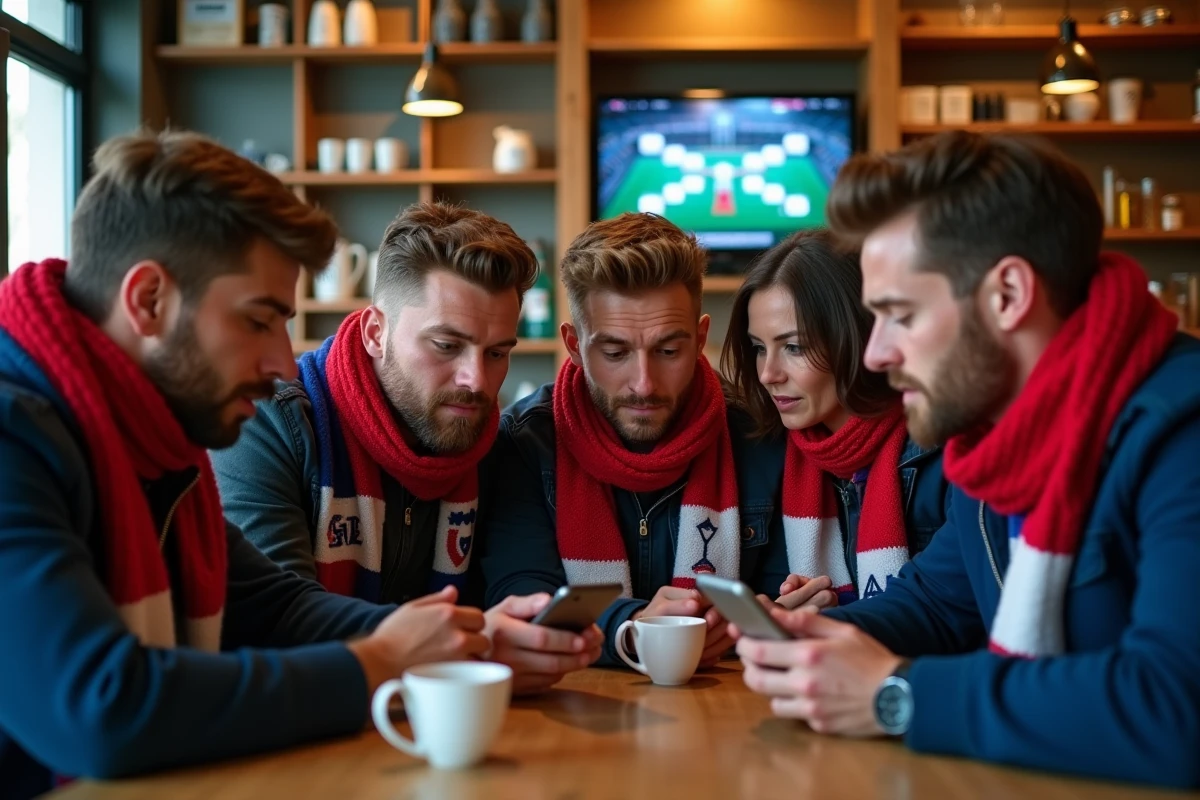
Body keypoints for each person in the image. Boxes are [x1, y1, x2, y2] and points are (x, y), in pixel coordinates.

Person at [0, 130, 491, 796]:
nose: (283, 364)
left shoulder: (156, 441)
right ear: (149, 301)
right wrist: (376, 662)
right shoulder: (15, 432)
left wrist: (463, 640)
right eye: (259, 321)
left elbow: (274, 608)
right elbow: (101, 708)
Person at [731, 131, 1200, 788]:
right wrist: (811, 636)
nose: (875, 354)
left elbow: (1175, 708)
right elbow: (937, 605)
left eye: (900, 314)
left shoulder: (1181, 427)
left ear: (1007, 295)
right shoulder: (992, 439)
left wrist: (895, 692)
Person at [212, 202, 603, 695]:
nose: (476, 381)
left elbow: (509, 591)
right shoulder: (271, 421)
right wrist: (469, 643)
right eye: (446, 345)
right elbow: (275, 622)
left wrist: (527, 638)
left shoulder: (494, 443)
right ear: (377, 332)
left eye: (497, 353)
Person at [480, 212, 793, 669]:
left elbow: (778, 589)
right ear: (573, 344)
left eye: (669, 351)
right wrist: (631, 628)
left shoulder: (760, 433)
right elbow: (522, 594)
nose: (643, 383)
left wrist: (778, 612)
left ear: (700, 337)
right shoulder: (524, 442)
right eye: (615, 353)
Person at [722, 230, 947, 609]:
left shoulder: (937, 451)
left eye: (794, 347)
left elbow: (952, 615)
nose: (767, 374)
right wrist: (795, 610)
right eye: (760, 349)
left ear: (857, 337)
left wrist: (835, 624)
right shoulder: (774, 452)